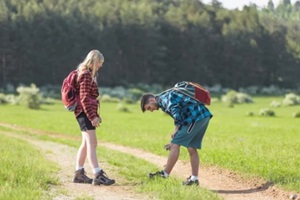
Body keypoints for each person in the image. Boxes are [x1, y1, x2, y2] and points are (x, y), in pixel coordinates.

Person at [140, 89, 212, 186]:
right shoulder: (164, 97)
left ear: (152, 100)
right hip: (202, 116)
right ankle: (194, 179)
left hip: (195, 117)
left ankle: (164, 174)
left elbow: (175, 110)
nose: (151, 110)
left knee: (174, 144)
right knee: (191, 147)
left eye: (149, 108)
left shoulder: (163, 99)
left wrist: (176, 129)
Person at [72, 50, 115, 186]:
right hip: (84, 113)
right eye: (100, 63)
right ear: (94, 61)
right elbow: (84, 98)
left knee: (86, 144)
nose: (101, 66)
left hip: (83, 113)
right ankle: (98, 175)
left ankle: (79, 174)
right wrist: (92, 117)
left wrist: (95, 115)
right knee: (92, 144)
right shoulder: (85, 75)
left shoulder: (87, 73)